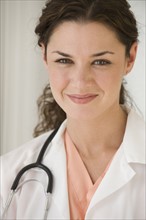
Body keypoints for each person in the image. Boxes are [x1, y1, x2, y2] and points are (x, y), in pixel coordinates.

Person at [0, 0, 145, 219]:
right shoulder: (8, 175)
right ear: (45, 56)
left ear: (130, 57)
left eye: (100, 62)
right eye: (64, 60)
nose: (80, 81)